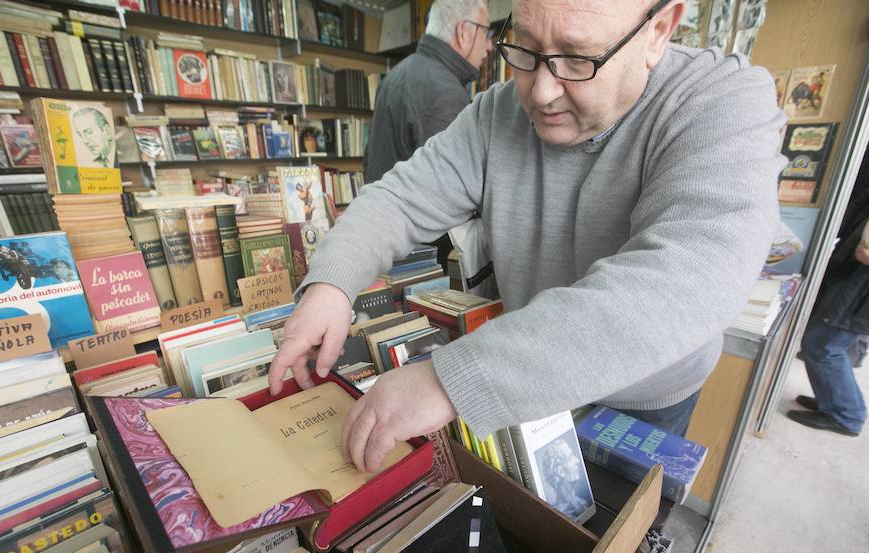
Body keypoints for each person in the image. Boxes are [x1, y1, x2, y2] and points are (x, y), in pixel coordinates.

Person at [268, 0, 785, 473]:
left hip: (644, 398)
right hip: (526, 374)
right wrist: (331, 286)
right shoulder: (497, 113)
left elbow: (684, 283)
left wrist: (451, 379)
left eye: (580, 59)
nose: (540, 91)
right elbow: (398, 200)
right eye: (525, 48)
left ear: (659, 32)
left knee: (609, 544)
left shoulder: (724, 102)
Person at [365, 0, 494, 267]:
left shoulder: (398, 73)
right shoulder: (443, 90)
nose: (490, 46)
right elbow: (450, 191)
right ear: (463, 32)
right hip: (423, 255)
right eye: (486, 32)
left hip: (390, 237)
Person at [788, 182, 869, 437]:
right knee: (827, 344)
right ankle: (840, 404)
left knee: (823, 346)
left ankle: (846, 415)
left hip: (860, 289)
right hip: (853, 281)